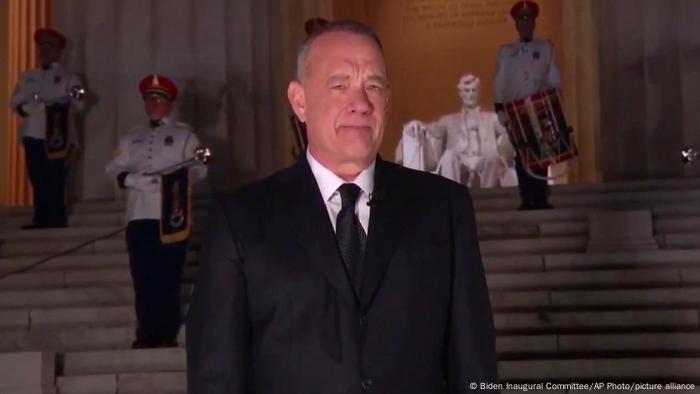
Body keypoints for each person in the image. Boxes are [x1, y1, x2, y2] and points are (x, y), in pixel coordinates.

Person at [187, 20, 498, 393]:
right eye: (340, 85)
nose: (362, 104)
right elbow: (216, 378)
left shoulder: (445, 210)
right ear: (299, 101)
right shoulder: (240, 221)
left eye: (374, 86)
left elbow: (475, 370)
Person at [105, 74, 207, 349]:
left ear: (169, 103)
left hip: (171, 216)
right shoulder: (131, 138)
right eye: (149, 99)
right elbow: (113, 169)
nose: (153, 104)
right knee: (143, 277)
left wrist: (179, 179)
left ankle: (165, 332)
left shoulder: (185, 134)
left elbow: (200, 166)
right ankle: (146, 332)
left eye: (158, 99)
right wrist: (135, 180)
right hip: (139, 216)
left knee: (168, 276)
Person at [10, 28, 85, 229]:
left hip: (58, 134)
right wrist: (30, 105)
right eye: (41, 45)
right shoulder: (27, 77)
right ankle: (41, 217)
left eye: (49, 45)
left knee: (56, 177)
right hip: (33, 133)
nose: (44, 50)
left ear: (60, 50)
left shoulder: (69, 77)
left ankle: (56, 217)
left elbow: (79, 100)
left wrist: (55, 101)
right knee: (37, 176)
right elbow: (15, 102)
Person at [494, 0, 561, 209]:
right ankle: (526, 198)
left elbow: (554, 79)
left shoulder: (546, 48)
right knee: (522, 153)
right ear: (516, 24)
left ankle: (541, 197)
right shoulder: (506, 52)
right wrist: (499, 107)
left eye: (528, 19)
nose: (525, 23)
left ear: (533, 22)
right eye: (521, 19)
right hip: (517, 108)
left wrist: (554, 107)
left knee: (541, 152)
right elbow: (500, 82)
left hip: (539, 106)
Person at [395, 74, 517, 188]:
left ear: (478, 93)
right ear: (460, 93)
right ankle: (453, 196)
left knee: (493, 157)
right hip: (460, 159)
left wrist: (508, 135)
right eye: (467, 91)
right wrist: (419, 124)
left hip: (484, 158)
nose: (470, 94)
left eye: (473, 91)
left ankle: (487, 195)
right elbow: (434, 128)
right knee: (448, 156)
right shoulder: (448, 120)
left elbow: (506, 129)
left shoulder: (491, 118)